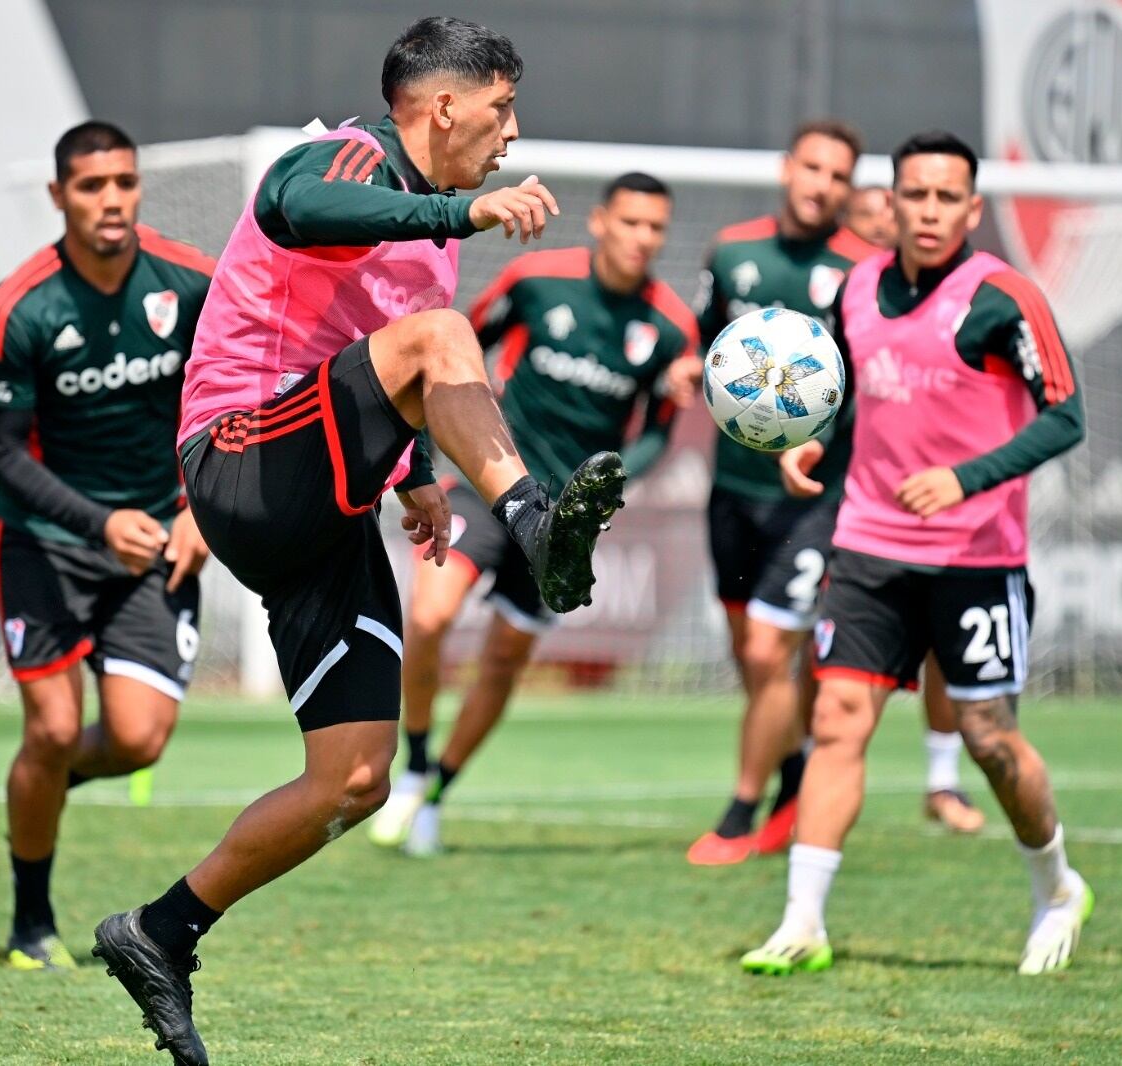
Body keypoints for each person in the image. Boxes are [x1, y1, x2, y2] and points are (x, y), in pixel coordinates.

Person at [90, 19, 625, 1064]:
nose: (512, 134)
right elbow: (296, 206)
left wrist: (417, 478)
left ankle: (160, 932)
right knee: (440, 340)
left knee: (355, 778)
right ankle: (531, 521)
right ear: (441, 109)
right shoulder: (343, 154)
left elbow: (387, 362)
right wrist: (461, 206)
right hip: (238, 455)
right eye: (502, 109)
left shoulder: (431, 237)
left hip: (315, 511)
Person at [741, 130, 1092, 977]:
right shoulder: (858, 288)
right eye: (916, 195)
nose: (930, 211)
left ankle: (1056, 888)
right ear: (890, 203)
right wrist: (808, 443)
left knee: (989, 738)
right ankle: (802, 922)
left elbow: (1065, 415)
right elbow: (849, 396)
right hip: (866, 545)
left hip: (977, 557)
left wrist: (966, 478)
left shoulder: (1003, 297)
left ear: (972, 209)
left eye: (947, 198)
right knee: (837, 722)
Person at [368, 172, 700, 856]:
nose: (642, 238)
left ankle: (436, 793)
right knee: (428, 618)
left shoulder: (669, 327)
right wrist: (437, 447)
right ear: (601, 221)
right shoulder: (536, 279)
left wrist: (608, 486)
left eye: (655, 228)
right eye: (631, 222)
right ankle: (418, 762)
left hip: (564, 520)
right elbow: (455, 346)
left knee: (503, 662)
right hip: (493, 485)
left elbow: (659, 430)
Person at [0, 121, 214, 971]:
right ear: (58, 197)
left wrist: (203, 514)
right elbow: (3, 453)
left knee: (139, 739)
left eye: (122, 181)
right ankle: (30, 924)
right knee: (50, 728)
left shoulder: (190, 282)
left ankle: (38, 786)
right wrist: (96, 524)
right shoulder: (20, 308)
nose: (110, 199)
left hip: (160, 537)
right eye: (89, 185)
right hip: (46, 543)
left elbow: (236, 402)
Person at [675, 120, 880, 867]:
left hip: (815, 498)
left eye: (837, 175)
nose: (821, 184)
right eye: (812, 168)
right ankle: (797, 779)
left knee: (768, 653)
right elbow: (704, 341)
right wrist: (687, 369)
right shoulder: (732, 251)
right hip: (733, 492)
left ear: (847, 188)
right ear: (788, 169)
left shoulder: (864, 270)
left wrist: (820, 445)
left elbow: (870, 379)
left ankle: (741, 814)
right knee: (751, 658)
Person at [846, 184, 986, 834]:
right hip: (846, 501)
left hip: (942, 515)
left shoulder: (967, 296)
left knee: (942, 654)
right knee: (829, 662)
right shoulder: (848, 288)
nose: (889, 220)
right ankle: (812, 774)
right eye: (876, 209)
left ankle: (942, 780)